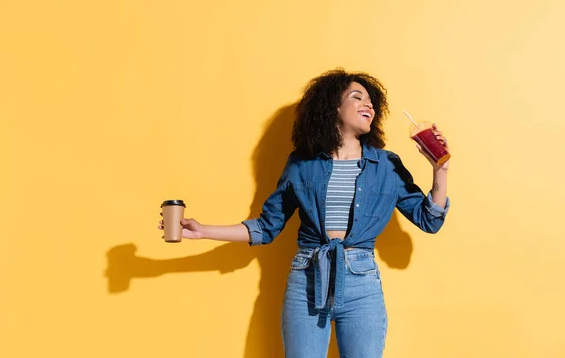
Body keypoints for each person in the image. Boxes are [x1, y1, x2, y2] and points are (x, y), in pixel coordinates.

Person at [158, 69, 450, 358]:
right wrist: (202, 230)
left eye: (371, 101)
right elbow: (266, 227)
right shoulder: (301, 164)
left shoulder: (386, 165)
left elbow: (429, 219)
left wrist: (441, 170)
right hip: (306, 280)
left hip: (362, 284)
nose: (368, 105)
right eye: (357, 97)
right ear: (332, 106)